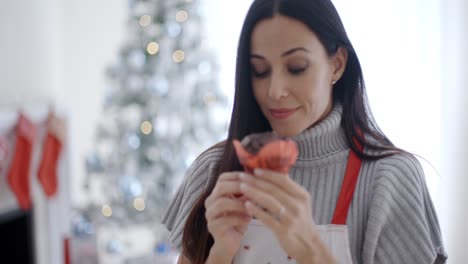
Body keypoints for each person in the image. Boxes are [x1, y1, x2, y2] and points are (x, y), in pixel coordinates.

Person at [161, 0, 447, 263]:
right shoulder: (213, 170)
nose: (275, 92)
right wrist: (220, 253)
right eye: (259, 71)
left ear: (337, 65)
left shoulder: (389, 179)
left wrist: (312, 250)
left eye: (296, 67)